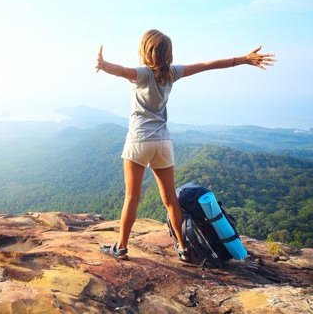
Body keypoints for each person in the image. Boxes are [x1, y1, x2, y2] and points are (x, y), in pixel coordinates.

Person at [95, 29, 275, 261]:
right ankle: (183, 248)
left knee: (132, 197)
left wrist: (104, 64)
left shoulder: (142, 74)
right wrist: (243, 59)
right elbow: (207, 65)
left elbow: (120, 71)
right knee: (170, 199)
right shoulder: (172, 73)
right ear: (167, 53)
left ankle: (120, 247)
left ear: (145, 50)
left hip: (139, 141)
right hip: (163, 143)